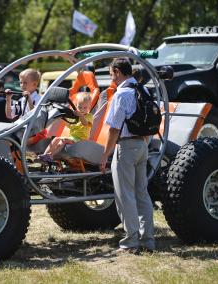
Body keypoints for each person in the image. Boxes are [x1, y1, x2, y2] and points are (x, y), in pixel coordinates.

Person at [99, 58, 154, 254]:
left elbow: (114, 129)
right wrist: (144, 144)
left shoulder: (121, 94)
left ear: (117, 71)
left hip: (126, 147)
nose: (111, 78)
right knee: (142, 194)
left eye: (111, 74)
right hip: (142, 145)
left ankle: (131, 242)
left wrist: (105, 155)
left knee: (125, 196)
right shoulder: (143, 90)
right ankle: (148, 240)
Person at [38, 92, 93, 162]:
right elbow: (70, 125)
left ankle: (50, 156)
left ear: (89, 107)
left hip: (81, 140)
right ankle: (44, 155)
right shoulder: (75, 117)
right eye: (79, 107)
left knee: (63, 140)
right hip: (72, 138)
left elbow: (85, 124)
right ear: (76, 106)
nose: (82, 109)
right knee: (56, 138)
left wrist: (80, 115)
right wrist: (62, 118)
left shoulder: (89, 116)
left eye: (85, 108)